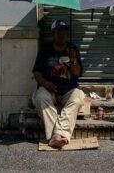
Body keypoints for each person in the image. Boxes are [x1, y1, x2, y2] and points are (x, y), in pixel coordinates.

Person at [32, 19, 85, 149]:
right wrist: (45, 83)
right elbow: (36, 74)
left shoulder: (72, 49)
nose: (62, 35)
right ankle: (58, 136)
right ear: (53, 33)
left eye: (64, 32)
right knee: (40, 97)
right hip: (49, 89)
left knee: (78, 97)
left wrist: (73, 60)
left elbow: (77, 73)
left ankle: (56, 135)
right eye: (58, 32)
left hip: (68, 90)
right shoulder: (45, 50)